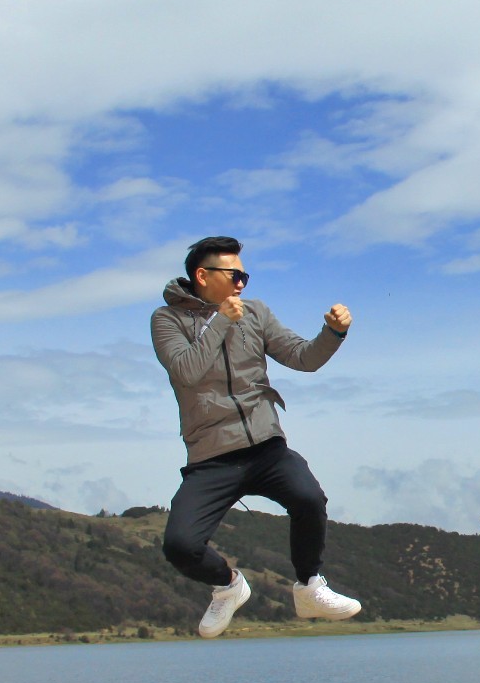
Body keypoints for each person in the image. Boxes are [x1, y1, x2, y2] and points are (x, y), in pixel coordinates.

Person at [151, 235, 362, 637]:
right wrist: (220, 322)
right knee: (180, 546)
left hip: (265, 446)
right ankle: (228, 587)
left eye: (245, 275)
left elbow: (303, 357)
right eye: (235, 275)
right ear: (202, 275)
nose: (242, 284)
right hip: (210, 456)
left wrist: (332, 334)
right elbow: (186, 372)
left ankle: (309, 587)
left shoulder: (256, 312)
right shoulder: (166, 320)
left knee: (309, 497)